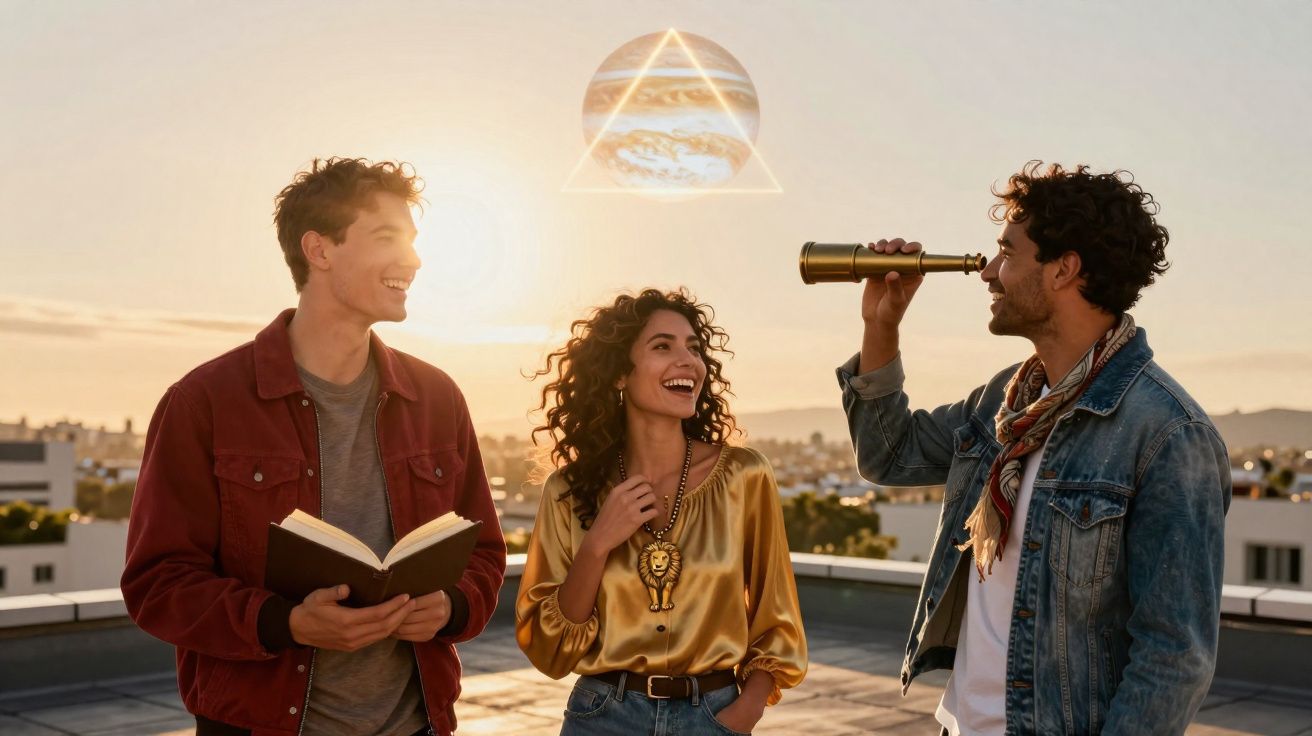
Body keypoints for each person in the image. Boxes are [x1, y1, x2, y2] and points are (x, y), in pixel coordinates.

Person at [836, 162, 1230, 735]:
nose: (989, 273)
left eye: (1007, 253)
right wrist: (881, 324)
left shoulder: (1169, 434)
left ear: (1063, 269)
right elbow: (886, 456)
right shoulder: (1005, 398)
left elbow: (1174, 657)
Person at [121, 158, 507, 736]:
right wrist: (288, 623)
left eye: (414, 241)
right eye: (387, 238)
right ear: (320, 250)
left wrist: (451, 606)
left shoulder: (437, 397)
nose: (415, 260)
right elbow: (158, 582)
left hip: (417, 725)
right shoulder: (204, 402)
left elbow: (483, 552)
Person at [517, 288, 807, 735]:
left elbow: (777, 616)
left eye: (694, 348)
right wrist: (596, 546)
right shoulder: (568, 491)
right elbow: (550, 650)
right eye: (662, 346)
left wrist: (742, 713)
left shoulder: (745, 475)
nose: (688, 361)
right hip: (602, 718)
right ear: (618, 374)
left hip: (716, 716)